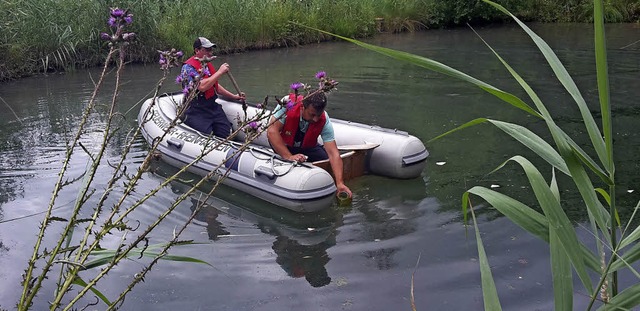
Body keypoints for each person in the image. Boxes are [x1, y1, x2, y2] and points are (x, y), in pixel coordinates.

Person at [267, 91, 352, 199]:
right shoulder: (287, 103)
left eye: (318, 115)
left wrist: (340, 182)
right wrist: (289, 156)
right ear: (303, 107)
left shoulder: (324, 119)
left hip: (307, 146)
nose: (316, 119)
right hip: (284, 143)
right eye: (312, 114)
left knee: (325, 160)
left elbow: (333, 153)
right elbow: (272, 131)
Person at [180, 37, 245, 138]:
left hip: (212, 106)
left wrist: (233, 96)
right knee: (206, 136)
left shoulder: (207, 65)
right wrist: (220, 72)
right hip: (196, 109)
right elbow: (201, 86)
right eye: (207, 50)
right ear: (197, 50)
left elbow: (215, 86)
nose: (210, 52)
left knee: (227, 132)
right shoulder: (188, 68)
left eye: (211, 49)